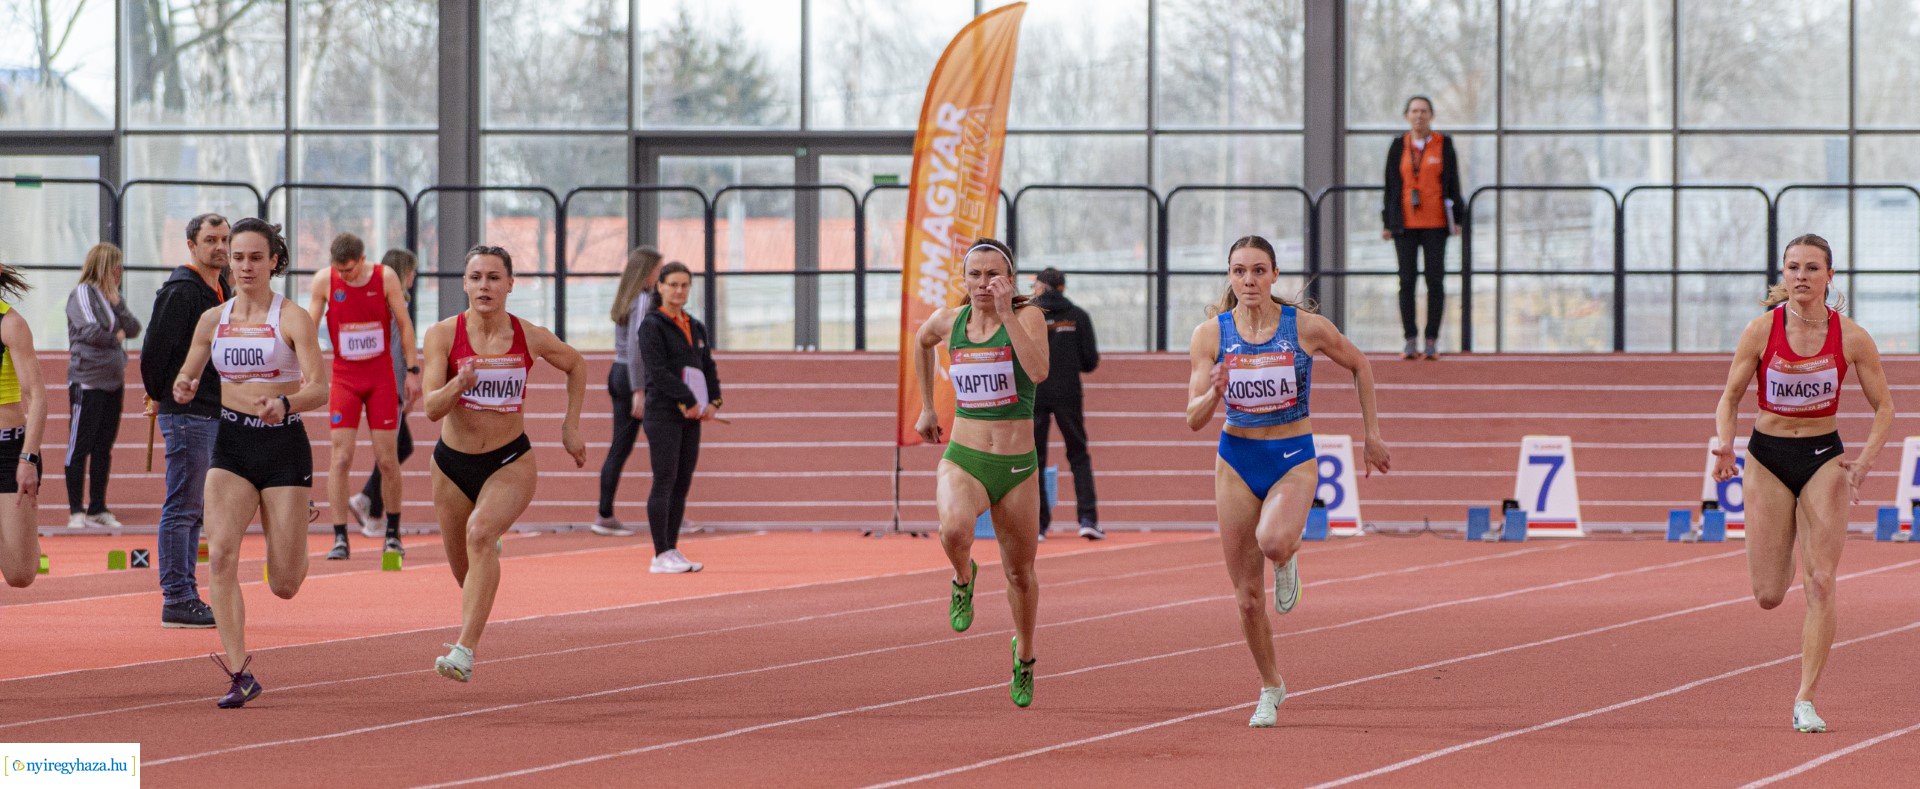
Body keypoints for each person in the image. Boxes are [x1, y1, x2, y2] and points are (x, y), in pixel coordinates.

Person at [1184, 235, 1390, 728]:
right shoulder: (1211, 335)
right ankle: (1271, 685)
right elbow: (1193, 418)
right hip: (1236, 459)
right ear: (1229, 277)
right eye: (1239, 272)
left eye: (1258, 271)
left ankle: (1288, 554)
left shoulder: (1305, 328)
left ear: (1275, 275)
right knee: (1246, 597)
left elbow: (1360, 364)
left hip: (1293, 455)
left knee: (1273, 540)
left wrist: (1372, 435)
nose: (1249, 281)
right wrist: (1214, 394)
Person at [1711, 234, 1893, 734]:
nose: (1802, 277)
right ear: (1783, 274)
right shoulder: (1760, 330)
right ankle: (1783, 534)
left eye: (1813, 268)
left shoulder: (1852, 336)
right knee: (1769, 593)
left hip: (1821, 458)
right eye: (1793, 267)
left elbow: (1886, 409)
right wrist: (1725, 443)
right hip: (1768, 457)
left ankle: (1805, 699)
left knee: (1821, 580)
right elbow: (1729, 398)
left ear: (1829, 276)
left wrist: (1863, 462)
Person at [170, 218, 329, 708]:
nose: (244, 266)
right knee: (220, 556)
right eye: (237, 257)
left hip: (283, 447)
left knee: (284, 584)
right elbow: (188, 371)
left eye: (255, 258)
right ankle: (239, 672)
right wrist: (183, 386)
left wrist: (287, 404)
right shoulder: (212, 320)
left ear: (273, 261)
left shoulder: (293, 318)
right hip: (232, 446)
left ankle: (296, 517)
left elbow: (320, 389)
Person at [421, 244, 586, 682]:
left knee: (480, 533)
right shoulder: (441, 335)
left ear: (510, 285)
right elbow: (431, 409)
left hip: (509, 460)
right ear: (465, 284)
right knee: (466, 574)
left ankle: (464, 652)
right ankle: (485, 551)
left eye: (494, 278)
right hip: (451, 467)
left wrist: (570, 425)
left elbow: (576, 364)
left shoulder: (529, 335)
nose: (484, 286)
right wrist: (459, 383)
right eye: (476, 277)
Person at [913, 238, 1049, 708]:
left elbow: (1038, 371)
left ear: (1008, 279)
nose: (984, 283)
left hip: (1016, 466)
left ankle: (1025, 655)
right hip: (965, 456)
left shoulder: (1028, 318)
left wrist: (1008, 313)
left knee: (1020, 575)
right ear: (963, 279)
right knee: (954, 528)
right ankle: (962, 577)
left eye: (994, 275)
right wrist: (928, 407)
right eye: (976, 275)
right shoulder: (950, 321)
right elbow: (921, 339)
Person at [139, 213, 230, 629]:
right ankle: (177, 596)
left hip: (211, 409)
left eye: (224, 239)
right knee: (183, 506)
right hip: (187, 413)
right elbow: (153, 351)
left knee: (195, 509)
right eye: (210, 239)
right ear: (191, 245)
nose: (221, 247)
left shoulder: (221, 288)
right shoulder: (181, 292)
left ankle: (185, 593)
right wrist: (160, 394)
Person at [307, 233, 420, 560]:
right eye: (340, 270)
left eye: (351, 271)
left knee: (388, 459)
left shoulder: (385, 277)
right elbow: (309, 328)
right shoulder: (324, 281)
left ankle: (393, 533)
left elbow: (404, 323)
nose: (345, 276)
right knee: (340, 457)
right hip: (345, 379)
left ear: (363, 259)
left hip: (380, 378)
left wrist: (412, 371)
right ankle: (340, 536)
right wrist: (306, 365)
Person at [638, 261, 719, 571]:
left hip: (692, 415)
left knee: (682, 482)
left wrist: (713, 401)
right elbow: (657, 372)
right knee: (665, 480)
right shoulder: (652, 325)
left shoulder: (694, 325)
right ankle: (660, 553)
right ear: (660, 286)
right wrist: (686, 398)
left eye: (684, 285)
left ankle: (672, 548)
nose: (679, 290)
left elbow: (706, 366)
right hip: (663, 413)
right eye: (673, 284)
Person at [1380, 95, 1466, 361]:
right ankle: (1409, 339)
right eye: (1414, 111)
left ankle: (1431, 340)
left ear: (1431, 115)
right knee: (1406, 281)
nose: (1419, 116)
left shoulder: (1444, 144)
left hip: (1436, 224)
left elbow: (1453, 183)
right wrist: (1387, 223)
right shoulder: (1398, 145)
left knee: (1435, 282)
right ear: (1407, 115)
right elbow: (1390, 187)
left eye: (1424, 111)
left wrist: (1458, 220)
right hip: (1405, 225)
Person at [65, 243, 142, 528]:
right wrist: (116, 337)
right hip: (87, 380)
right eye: (116, 267)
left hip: (113, 382)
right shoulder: (82, 293)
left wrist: (118, 305)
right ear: (104, 267)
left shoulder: (112, 297)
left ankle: (98, 506)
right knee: (79, 445)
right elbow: (90, 331)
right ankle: (76, 510)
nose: (120, 273)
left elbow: (134, 328)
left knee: (103, 446)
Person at [349, 249, 421, 536]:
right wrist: (405, 381)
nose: (414, 277)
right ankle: (373, 509)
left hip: (383, 382)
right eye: (412, 271)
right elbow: (396, 347)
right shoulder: (395, 302)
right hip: (389, 384)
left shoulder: (376, 299)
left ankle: (368, 502)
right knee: (394, 450)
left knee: (400, 447)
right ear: (403, 272)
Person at [592, 246, 662, 537]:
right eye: (658, 270)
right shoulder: (642, 300)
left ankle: (604, 513)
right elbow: (637, 348)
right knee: (664, 444)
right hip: (633, 378)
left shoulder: (627, 298)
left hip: (618, 372)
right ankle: (669, 510)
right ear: (647, 272)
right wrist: (639, 390)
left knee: (620, 447)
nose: (661, 274)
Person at [1029, 267, 1102, 541]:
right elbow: (1090, 361)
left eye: (1035, 285)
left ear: (1043, 286)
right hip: (1068, 393)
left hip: (1036, 392)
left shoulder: (1031, 315)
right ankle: (1088, 519)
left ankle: (1037, 525)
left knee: (1034, 459)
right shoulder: (1078, 316)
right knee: (1078, 454)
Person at [0, 263, 47, 588]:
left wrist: (27, 458)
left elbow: (38, 398)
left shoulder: (11, 324)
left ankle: (19, 530)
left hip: (9, 448)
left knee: (20, 574)